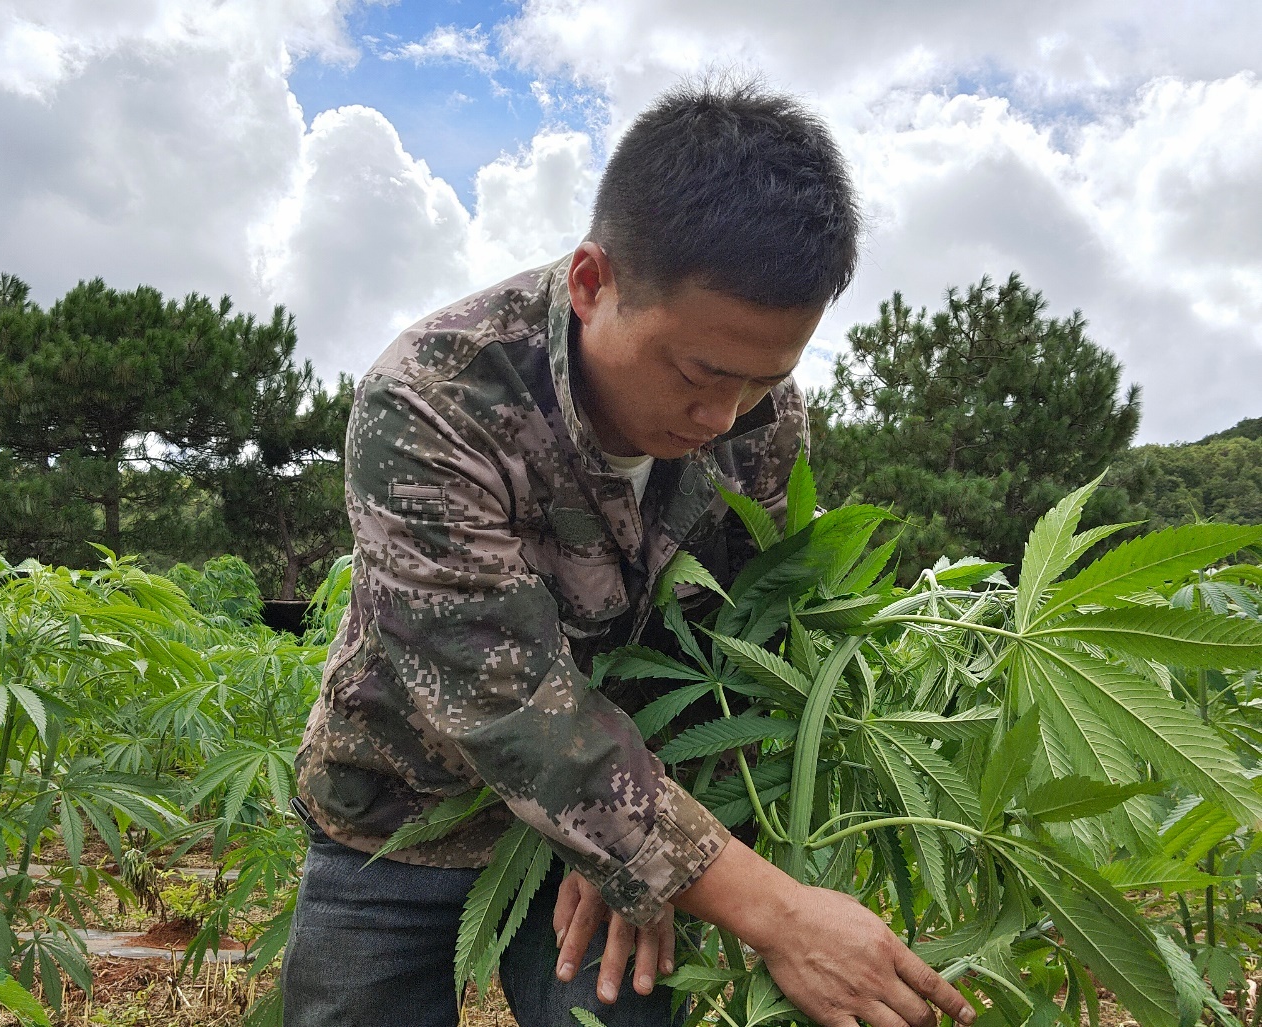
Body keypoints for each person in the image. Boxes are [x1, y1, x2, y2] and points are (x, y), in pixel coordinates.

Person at [282, 79, 976, 1027]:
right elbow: (506, 700)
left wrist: (639, 848)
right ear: (590, 283)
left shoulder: (760, 417)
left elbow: (741, 638)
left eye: (765, 378)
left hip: (626, 806)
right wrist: (772, 911)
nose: (723, 416)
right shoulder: (431, 400)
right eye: (699, 373)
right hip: (400, 805)